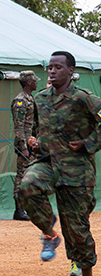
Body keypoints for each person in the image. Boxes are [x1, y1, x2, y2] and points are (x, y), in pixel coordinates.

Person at [19, 51, 101, 276]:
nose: (51, 72)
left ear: (70, 71)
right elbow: (40, 130)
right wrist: (36, 143)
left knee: (77, 228)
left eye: (57, 68)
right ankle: (49, 233)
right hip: (48, 163)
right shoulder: (40, 98)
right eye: (50, 68)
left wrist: (88, 143)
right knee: (27, 186)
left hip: (77, 170)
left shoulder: (84, 99)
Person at [11, 70, 39, 221]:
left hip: (31, 141)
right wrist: (23, 147)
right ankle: (19, 209)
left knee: (30, 175)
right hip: (24, 144)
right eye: (34, 80)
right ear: (29, 82)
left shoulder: (29, 98)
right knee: (22, 175)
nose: (36, 82)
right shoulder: (20, 101)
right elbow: (18, 126)